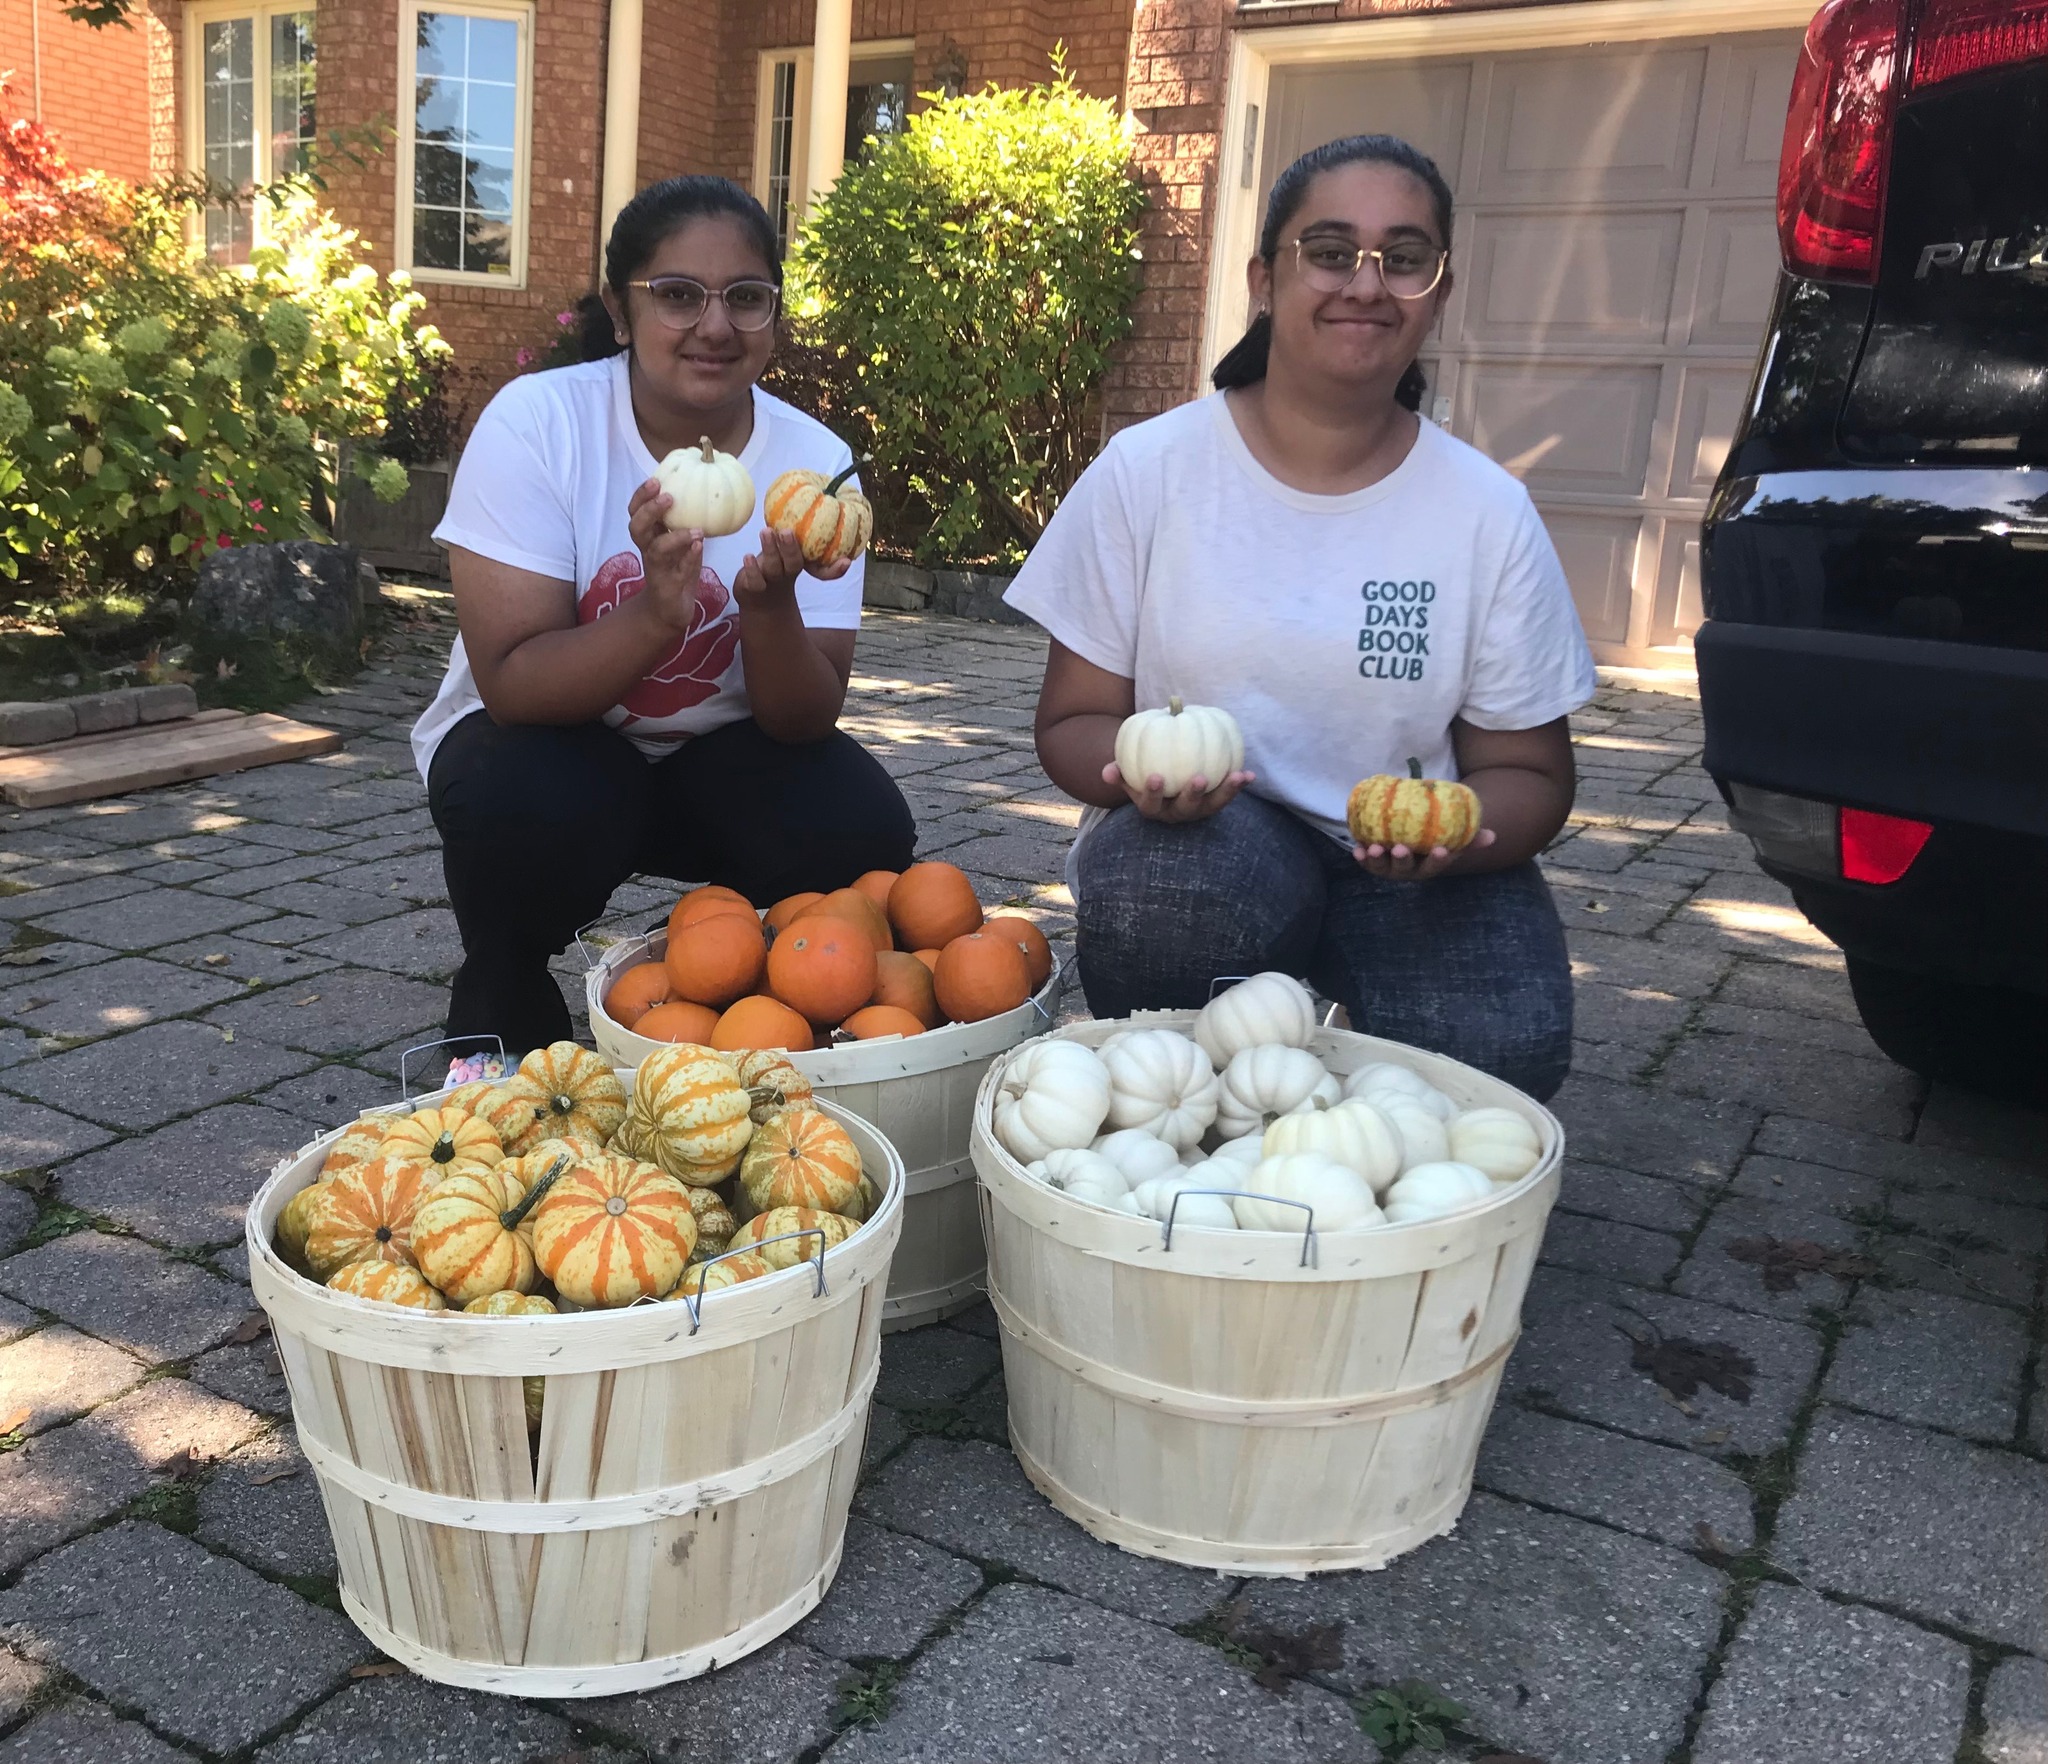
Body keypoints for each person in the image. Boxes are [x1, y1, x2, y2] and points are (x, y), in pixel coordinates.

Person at [1006, 136, 1595, 1100]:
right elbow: (1073, 722)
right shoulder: (1149, 473)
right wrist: (1140, 778)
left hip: (1414, 870)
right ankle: (1183, 1110)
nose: (1366, 284)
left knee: (1501, 1049)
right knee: (1165, 898)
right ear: (1265, 280)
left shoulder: (1485, 511)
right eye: (1329, 251)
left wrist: (1464, 834)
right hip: (1207, 846)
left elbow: (1530, 773)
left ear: (1438, 292)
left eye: (1403, 258)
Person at [412, 176, 914, 1055]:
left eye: (746, 298)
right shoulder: (540, 423)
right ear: (620, 309)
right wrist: (654, 613)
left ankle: (754, 994)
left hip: (721, 760)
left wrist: (768, 609)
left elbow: (805, 719)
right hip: (553, 749)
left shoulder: (815, 466)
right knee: (512, 799)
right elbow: (514, 685)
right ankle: (504, 992)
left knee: (858, 825)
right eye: (678, 295)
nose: (715, 326)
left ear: (774, 315)